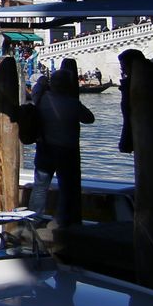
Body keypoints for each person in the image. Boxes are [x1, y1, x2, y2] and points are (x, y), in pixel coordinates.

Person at [26, 58, 95, 227]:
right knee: (67, 188)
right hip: (67, 151)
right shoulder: (73, 103)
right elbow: (89, 119)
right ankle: (64, 220)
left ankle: (34, 219)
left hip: (45, 149)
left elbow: (36, 90)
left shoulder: (42, 99)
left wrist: (43, 82)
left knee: (40, 186)